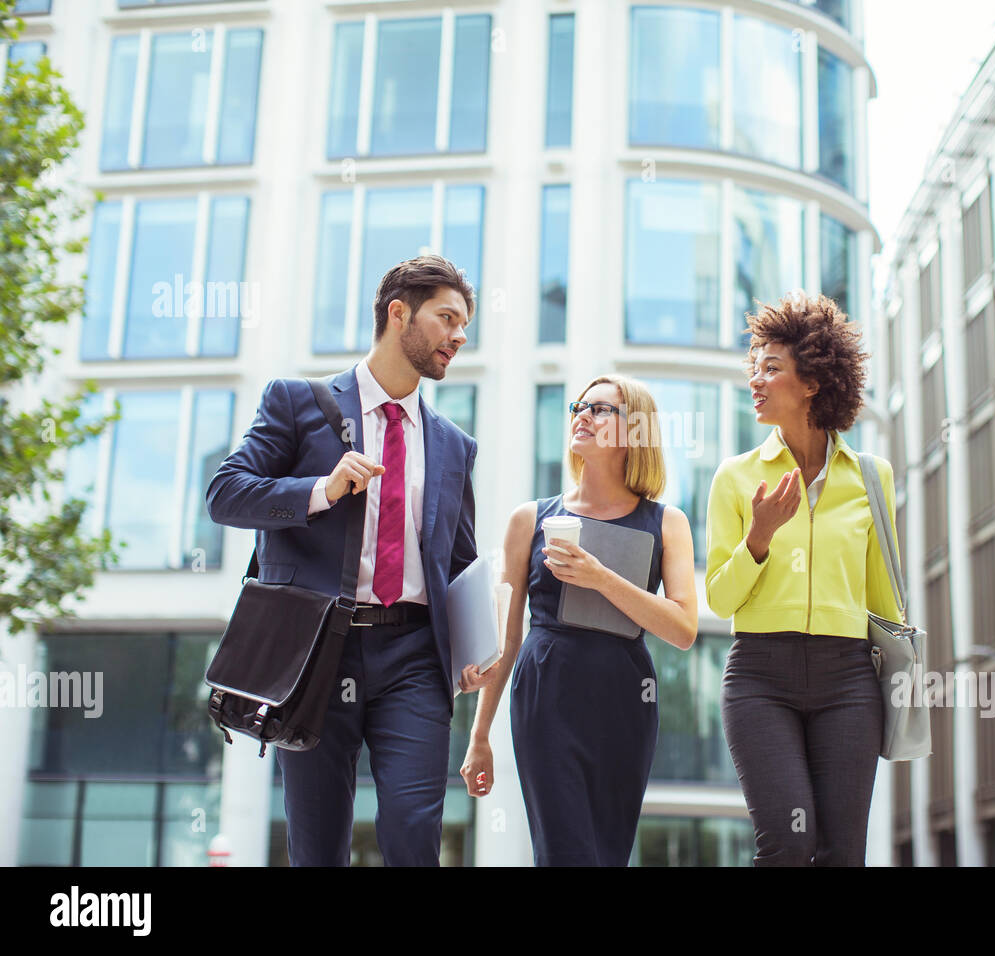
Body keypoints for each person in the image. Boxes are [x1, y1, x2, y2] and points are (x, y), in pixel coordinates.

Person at [206, 254, 481, 866]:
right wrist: (320, 491)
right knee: (318, 838)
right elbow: (225, 494)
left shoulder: (455, 446)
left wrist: (473, 650)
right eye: (447, 318)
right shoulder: (296, 403)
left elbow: (459, 560)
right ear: (398, 313)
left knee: (414, 834)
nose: (460, 335)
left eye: (465, 324)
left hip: (414, 657)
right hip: (316, 652)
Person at [457, 375, 698, 866]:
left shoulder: (667, 522)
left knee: (607, 853)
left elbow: (683, 629)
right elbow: (508, 632)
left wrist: (600, 577)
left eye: (601, 409)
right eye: (579, 406)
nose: (582, 415)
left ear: (635, 431)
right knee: (565, 852)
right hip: (547, 692)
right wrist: (478, 736)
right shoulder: (530, 519)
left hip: (627, 699)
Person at [704, 291, 903, 866]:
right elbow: (720, 596)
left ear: (813, 381)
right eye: (754, 368)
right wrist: (758, 538)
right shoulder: (737, 477)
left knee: (843, 854)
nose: (756, 380)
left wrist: (901, 682)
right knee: (789, 843)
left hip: (848, 682)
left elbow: (885, 599)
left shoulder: (871, 477)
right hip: (762, 677)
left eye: (773, 368)